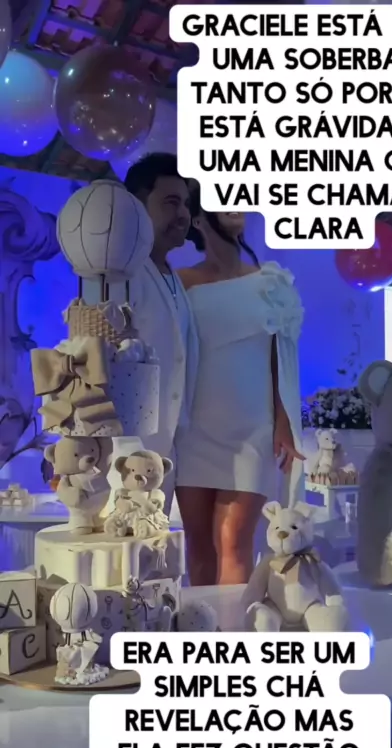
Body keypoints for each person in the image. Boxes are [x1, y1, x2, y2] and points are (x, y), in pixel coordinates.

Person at [174, 187, 305, 587]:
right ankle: (202, 624)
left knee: (233, 540)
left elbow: (279, 356)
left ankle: (235, 625)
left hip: (252, 429)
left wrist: (283, 421)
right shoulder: (181, 283)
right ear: (198, 219)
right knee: (198, 543)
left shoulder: (269, 282)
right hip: (195, 429)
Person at [124, 153, 199, 512]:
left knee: (155, 543)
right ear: (138, 207)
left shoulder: (173, 277)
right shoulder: (120, 272)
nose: (183, 214)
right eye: (171, 202)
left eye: (185, 204)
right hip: (128, 455)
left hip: (168, 450)